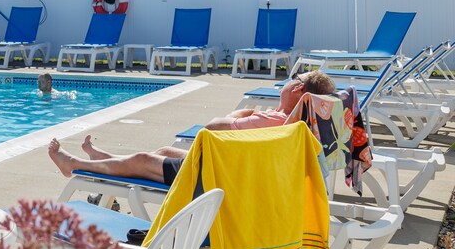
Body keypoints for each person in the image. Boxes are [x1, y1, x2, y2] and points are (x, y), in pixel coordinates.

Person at [47, 70, 335, 185]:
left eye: (294, 77)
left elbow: (211, 128)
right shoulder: (289, 122)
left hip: (216, 179)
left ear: (297, 89)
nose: (289, 80)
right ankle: (104, 159)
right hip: (228, 169)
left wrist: (239, 114)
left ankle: (74, 165)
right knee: (163, 151)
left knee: (143, 160)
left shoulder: (270, 120)